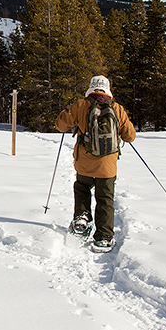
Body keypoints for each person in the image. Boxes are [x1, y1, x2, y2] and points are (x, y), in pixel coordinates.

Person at [55, 75, 136, 253]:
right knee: (105, 198)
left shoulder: (81, 105)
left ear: (91, 88)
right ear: (107, 89)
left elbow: (60, 125)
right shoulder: (117, 109)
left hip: (85, 162)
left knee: (82, 188)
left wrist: (66, 111)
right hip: (107, 165)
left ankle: (82, 219)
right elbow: (130, 136)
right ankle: (104, 238)